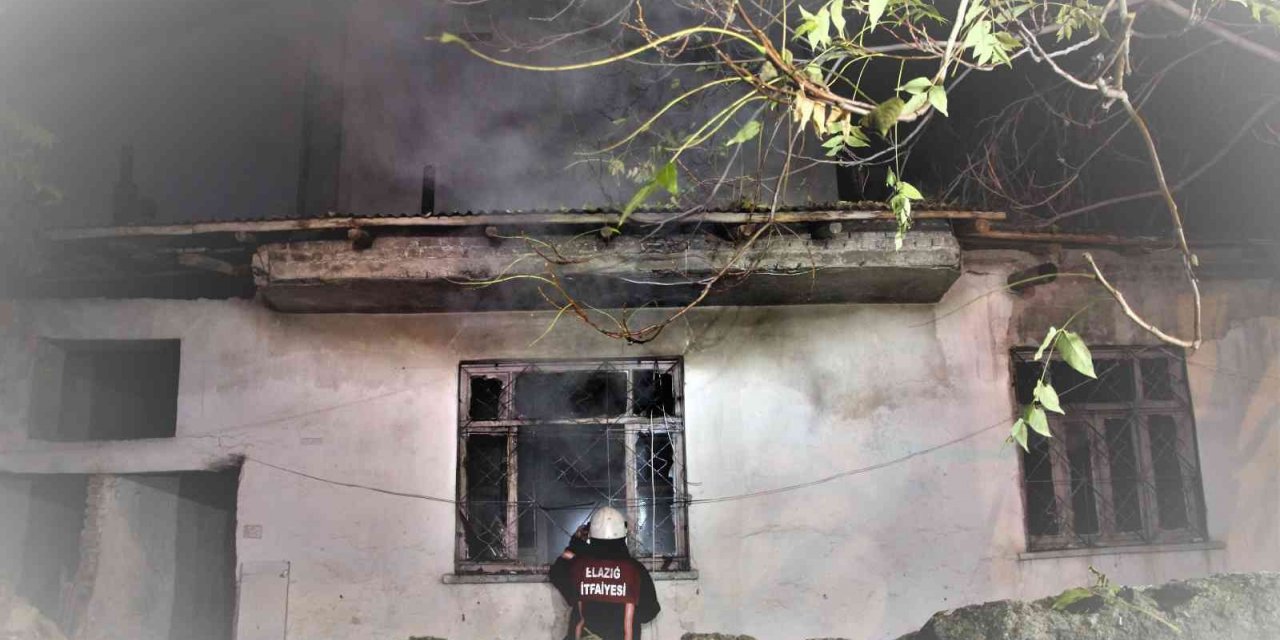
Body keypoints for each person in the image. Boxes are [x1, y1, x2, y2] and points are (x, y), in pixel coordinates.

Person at [549, 506, 660, 640]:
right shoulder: (635, 570)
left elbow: (557, 573)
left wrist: (576, 544)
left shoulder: (579, 566)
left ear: (590, 534)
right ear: (623, 534)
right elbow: (649, 612)